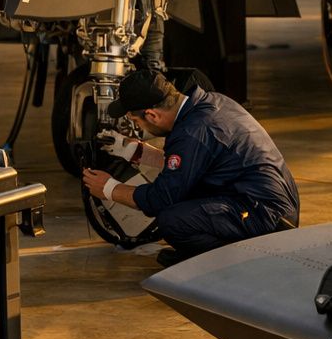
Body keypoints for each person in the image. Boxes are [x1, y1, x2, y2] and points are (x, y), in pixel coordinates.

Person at [81, 68, 300, 267]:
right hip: (267, 205)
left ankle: (237, 262)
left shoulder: (191, 132)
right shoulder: (210, 103)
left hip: (265, 218)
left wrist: (109, 189)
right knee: (184, 197)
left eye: (135, 122)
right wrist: (136, 152)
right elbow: (195, 165)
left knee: (173, 220)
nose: (137, 128)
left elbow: (161, 197)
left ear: (152, 115)